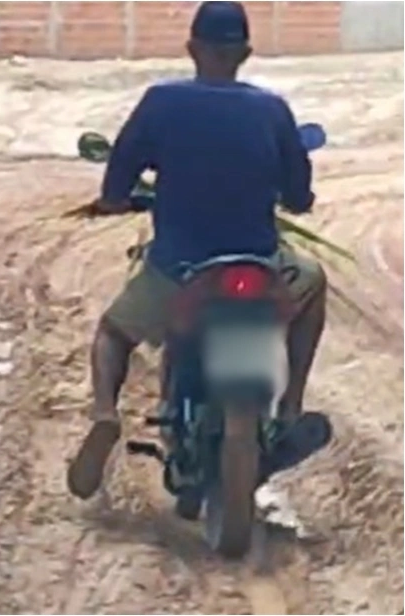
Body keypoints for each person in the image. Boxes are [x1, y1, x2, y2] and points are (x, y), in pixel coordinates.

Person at [66, 1, 328, 500]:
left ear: (192, 48)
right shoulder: (272, 109)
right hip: (259, 266)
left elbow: (120, 167)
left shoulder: (161, 102)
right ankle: (290, 405)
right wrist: (297, 200)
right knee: (313, 282)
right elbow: (298, 191)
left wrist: (114, 200)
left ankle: (104, 413)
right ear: (245, 52)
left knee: (113, 334)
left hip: (179, 271)